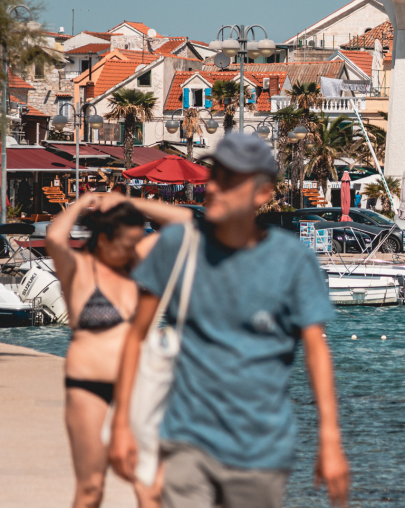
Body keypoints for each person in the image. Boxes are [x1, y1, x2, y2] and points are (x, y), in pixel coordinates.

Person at [109, 134, 349, 508]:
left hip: (262, 451)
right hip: (186, 439)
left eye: (230, 179)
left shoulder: (293, 261)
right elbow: (135, 336)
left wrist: (330, 440)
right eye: (214, 175)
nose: (214, 186)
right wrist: (122, 423)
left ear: (262, 193)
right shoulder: (177, 245)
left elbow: (316, 350)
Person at [46, 192, 192, 508]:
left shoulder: (136, 265)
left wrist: (129, 203)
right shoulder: (77, 268)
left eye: (136, 242)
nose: (132, 250)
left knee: (150, 488)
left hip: (140, 385)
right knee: (91, 489)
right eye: (126, 244)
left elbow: (186, 223)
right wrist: (85, 200)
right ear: (103, 239)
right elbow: (55, 236)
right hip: (89, 387)